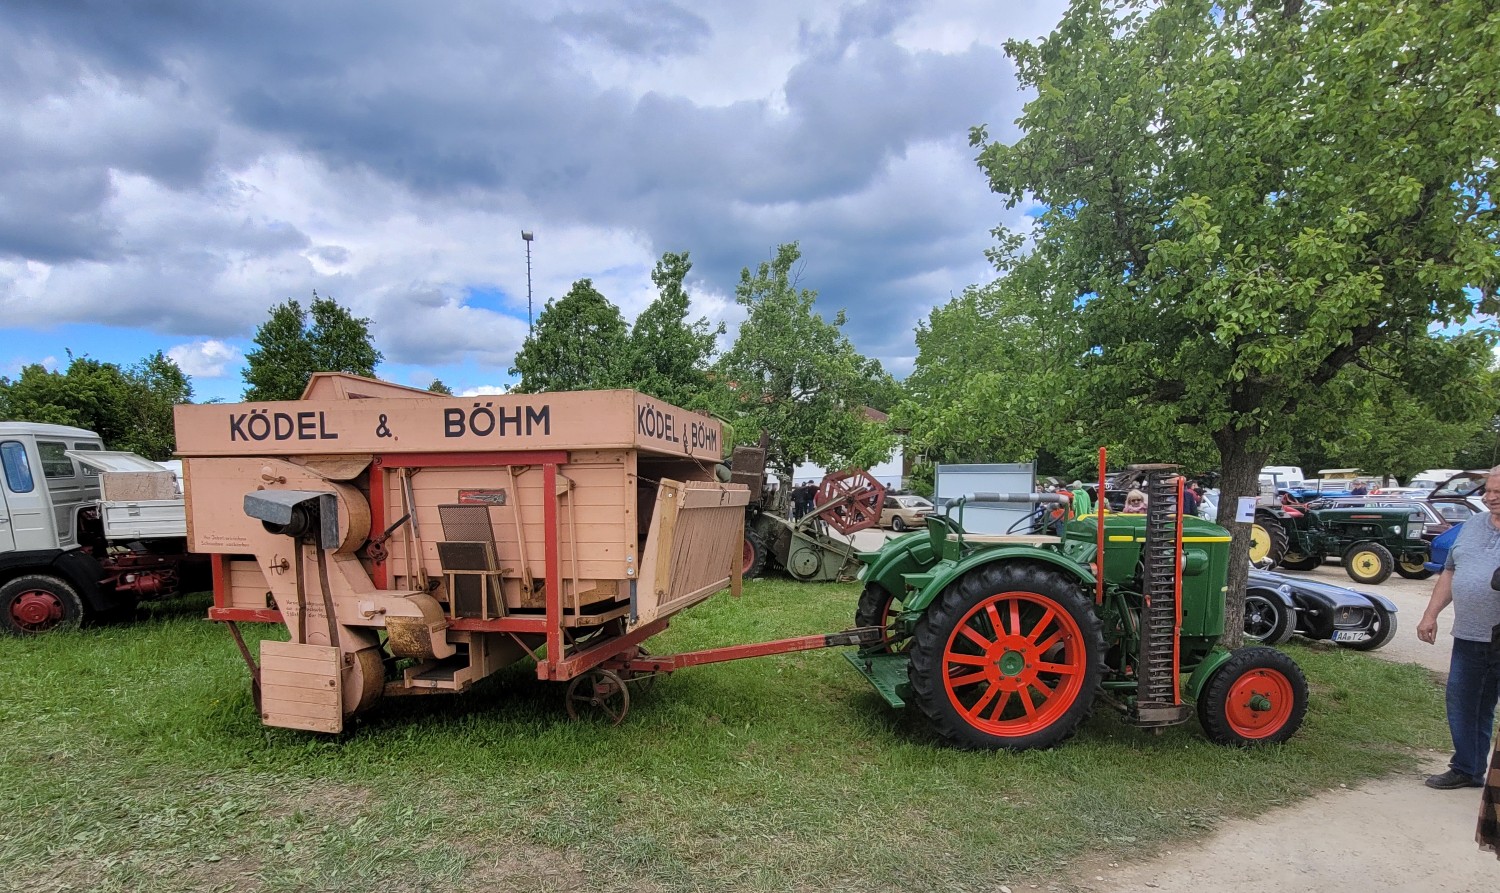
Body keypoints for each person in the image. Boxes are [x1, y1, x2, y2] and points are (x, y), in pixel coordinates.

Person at [1416, 466, 1500, 790]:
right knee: (1463, 703)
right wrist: (1430, 615)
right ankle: (1468, 768)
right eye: (1488, 491)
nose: (1490, 498)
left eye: (1498, 493)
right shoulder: (1472, 525)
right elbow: (1450, 572)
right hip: (1469, 635)